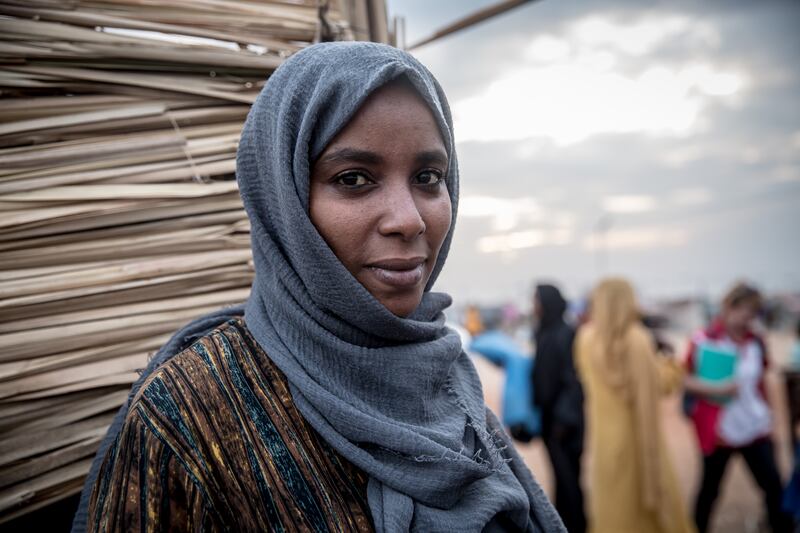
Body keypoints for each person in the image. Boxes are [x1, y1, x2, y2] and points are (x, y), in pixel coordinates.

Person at [70, 42, 565, 532]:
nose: (409, 219)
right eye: (353, 179)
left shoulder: (446, 378)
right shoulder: (189, 418)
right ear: (282, 199)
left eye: (428, 177)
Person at [574, 278, 695, 533]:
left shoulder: (585, 339)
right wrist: (671, 365)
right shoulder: (637, 340)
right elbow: (657, 385)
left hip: (605, 441)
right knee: (645, 508)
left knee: (612, 508)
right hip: (638, 438)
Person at [684, 282, 790, 532]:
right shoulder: (705, 340)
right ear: (728, 307)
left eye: (752, 311)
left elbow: (761, 381)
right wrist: (717, 389)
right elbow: (685, 379)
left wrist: (769, 414)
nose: (746, 317)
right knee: (710, 490)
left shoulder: (756, 342)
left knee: (773, 486)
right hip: (719, 430)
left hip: (755, 426)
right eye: (742, 309)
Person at [531, 284, 586, 533]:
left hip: (566, 424)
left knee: (570, 480)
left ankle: (575, 525)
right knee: (560, 478)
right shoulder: (544, 332)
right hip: (550, 419)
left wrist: (564, 420)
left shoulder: (566, 334)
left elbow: (573, 380)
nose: (534, 306)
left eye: (537, 300)